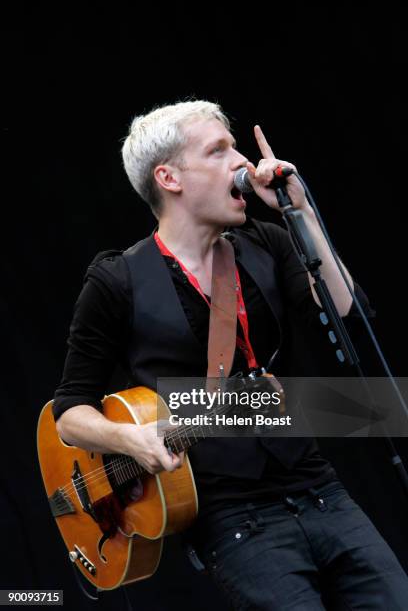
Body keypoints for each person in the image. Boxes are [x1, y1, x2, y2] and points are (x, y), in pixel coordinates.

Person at [53, 100, 408, 610]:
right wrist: (127, 436)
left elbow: (347, 319)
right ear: (169, 177)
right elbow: (69, 413)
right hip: (233, 519)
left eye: (236, 147)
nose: (242, 163)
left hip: (319, 489)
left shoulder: (266, 243)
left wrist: (300, 212)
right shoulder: (117, 281)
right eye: (219, 151)